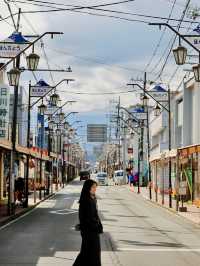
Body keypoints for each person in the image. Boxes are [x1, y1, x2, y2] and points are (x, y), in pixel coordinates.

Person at [73, 179, 103, 266]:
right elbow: (85, 218)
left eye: (95, 187)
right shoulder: (85, 200)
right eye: (93, 187)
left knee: (90, 253)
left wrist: (99, 225)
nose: (95, 189)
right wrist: (95, 225)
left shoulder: (92, 198)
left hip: (93, 230)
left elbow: (95, 214)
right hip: (88, 231)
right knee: (88, 254)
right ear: (88, 188)